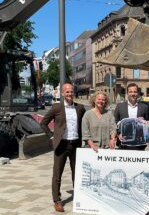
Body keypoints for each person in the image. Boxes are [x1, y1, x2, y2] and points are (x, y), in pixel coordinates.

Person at [40, 83, 85, 213]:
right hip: (61, 145)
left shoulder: (80, 108)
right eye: (67, 92)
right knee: (57, 174)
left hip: (76, 144)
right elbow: (43, 123)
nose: (70, 94)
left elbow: (84, 124)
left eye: (71, 92)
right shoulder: (56, 108)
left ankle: (78, 196)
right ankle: (57, 200)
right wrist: (51, 136)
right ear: (62, 94)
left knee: (77, 172)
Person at [114, 82, 148, 150]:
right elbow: (114, 123)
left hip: (139, 144)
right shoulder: (119, 106)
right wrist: (118, 134)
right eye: (130, 92)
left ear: (138, 93)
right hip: (123, 143)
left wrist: (144, 122)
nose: (133, 94)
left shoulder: (144, 107)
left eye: (135, 92)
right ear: (127, 93)